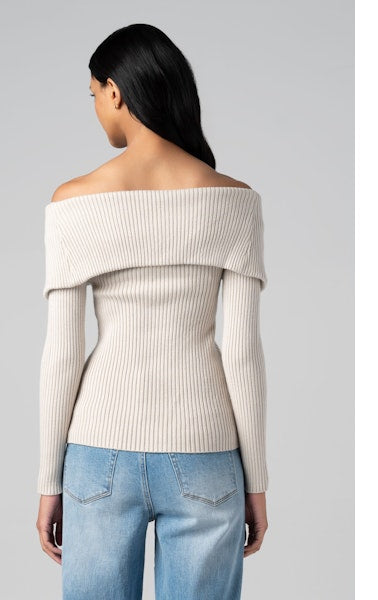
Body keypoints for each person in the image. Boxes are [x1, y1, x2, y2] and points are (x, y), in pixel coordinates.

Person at [35, 23, 269, 600]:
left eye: (94, 95)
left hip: (98, 452)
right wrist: (256, 482)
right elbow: (243, 357)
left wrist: (48, 480)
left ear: (115, 92)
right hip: (208, 453)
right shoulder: (235, 201)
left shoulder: (73, 202)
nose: (96, 108)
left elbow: (62, 356)